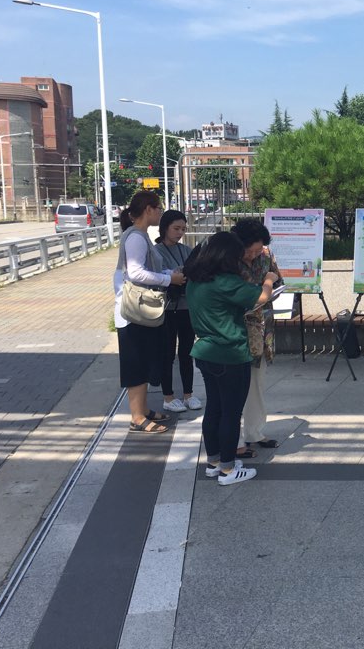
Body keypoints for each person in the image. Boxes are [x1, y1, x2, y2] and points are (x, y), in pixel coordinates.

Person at [185, 232, 279, 486]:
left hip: (205, 352)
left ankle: (214, 462)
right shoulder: (226, 281)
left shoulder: (196, 280)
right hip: (231, 354)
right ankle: (228, 470)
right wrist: (269, 280)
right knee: (230, 413)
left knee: (214, 410)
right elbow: (261, 298)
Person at [114, 191, 186, 434]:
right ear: (148, 210)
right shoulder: (135, 237)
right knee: (135, 363)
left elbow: (146, 269)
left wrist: (169, 273)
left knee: (143, 361)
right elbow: (135, 273)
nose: (160, 214)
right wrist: (168, 279)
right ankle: (137, 416)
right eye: (159, 209)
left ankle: (143, 409)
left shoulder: (141, 235)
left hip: (142, 309)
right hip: (134, 311)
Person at [231, 219, 283, 458]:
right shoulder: (227, 259)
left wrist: (271, 284)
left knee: (257, 383)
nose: (253, 255)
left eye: (257, 250)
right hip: (237, 329)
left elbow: (277, 279)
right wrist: (265, 284)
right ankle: (236, 438)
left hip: (262, 329)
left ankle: (254, 432)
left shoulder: (266, 254)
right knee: (236, 387)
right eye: (250, 250)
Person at [154, 210, 201, 413]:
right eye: (176, 228)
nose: (180, 232)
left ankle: (189, 394)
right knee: (166, 352)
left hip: (186, 306)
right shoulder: (156, 251)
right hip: (166, 307)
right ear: (165, 228)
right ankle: (168, 396)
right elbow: (157, 277)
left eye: (183, 228)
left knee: (186, 351)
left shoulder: (187, 250)